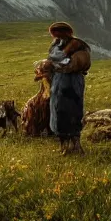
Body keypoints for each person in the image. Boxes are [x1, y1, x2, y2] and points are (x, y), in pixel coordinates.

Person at [46, 22, 92, 155]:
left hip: (72, 81)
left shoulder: (77, 44)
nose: (55, 36)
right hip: (58, 81)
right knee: (57, 111)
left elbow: (82, 62)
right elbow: (52, 59)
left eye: (57, 33)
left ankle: (75, 145)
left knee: (73, 111)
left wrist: (63, 64)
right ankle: (63, 145)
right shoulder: (55, 45)